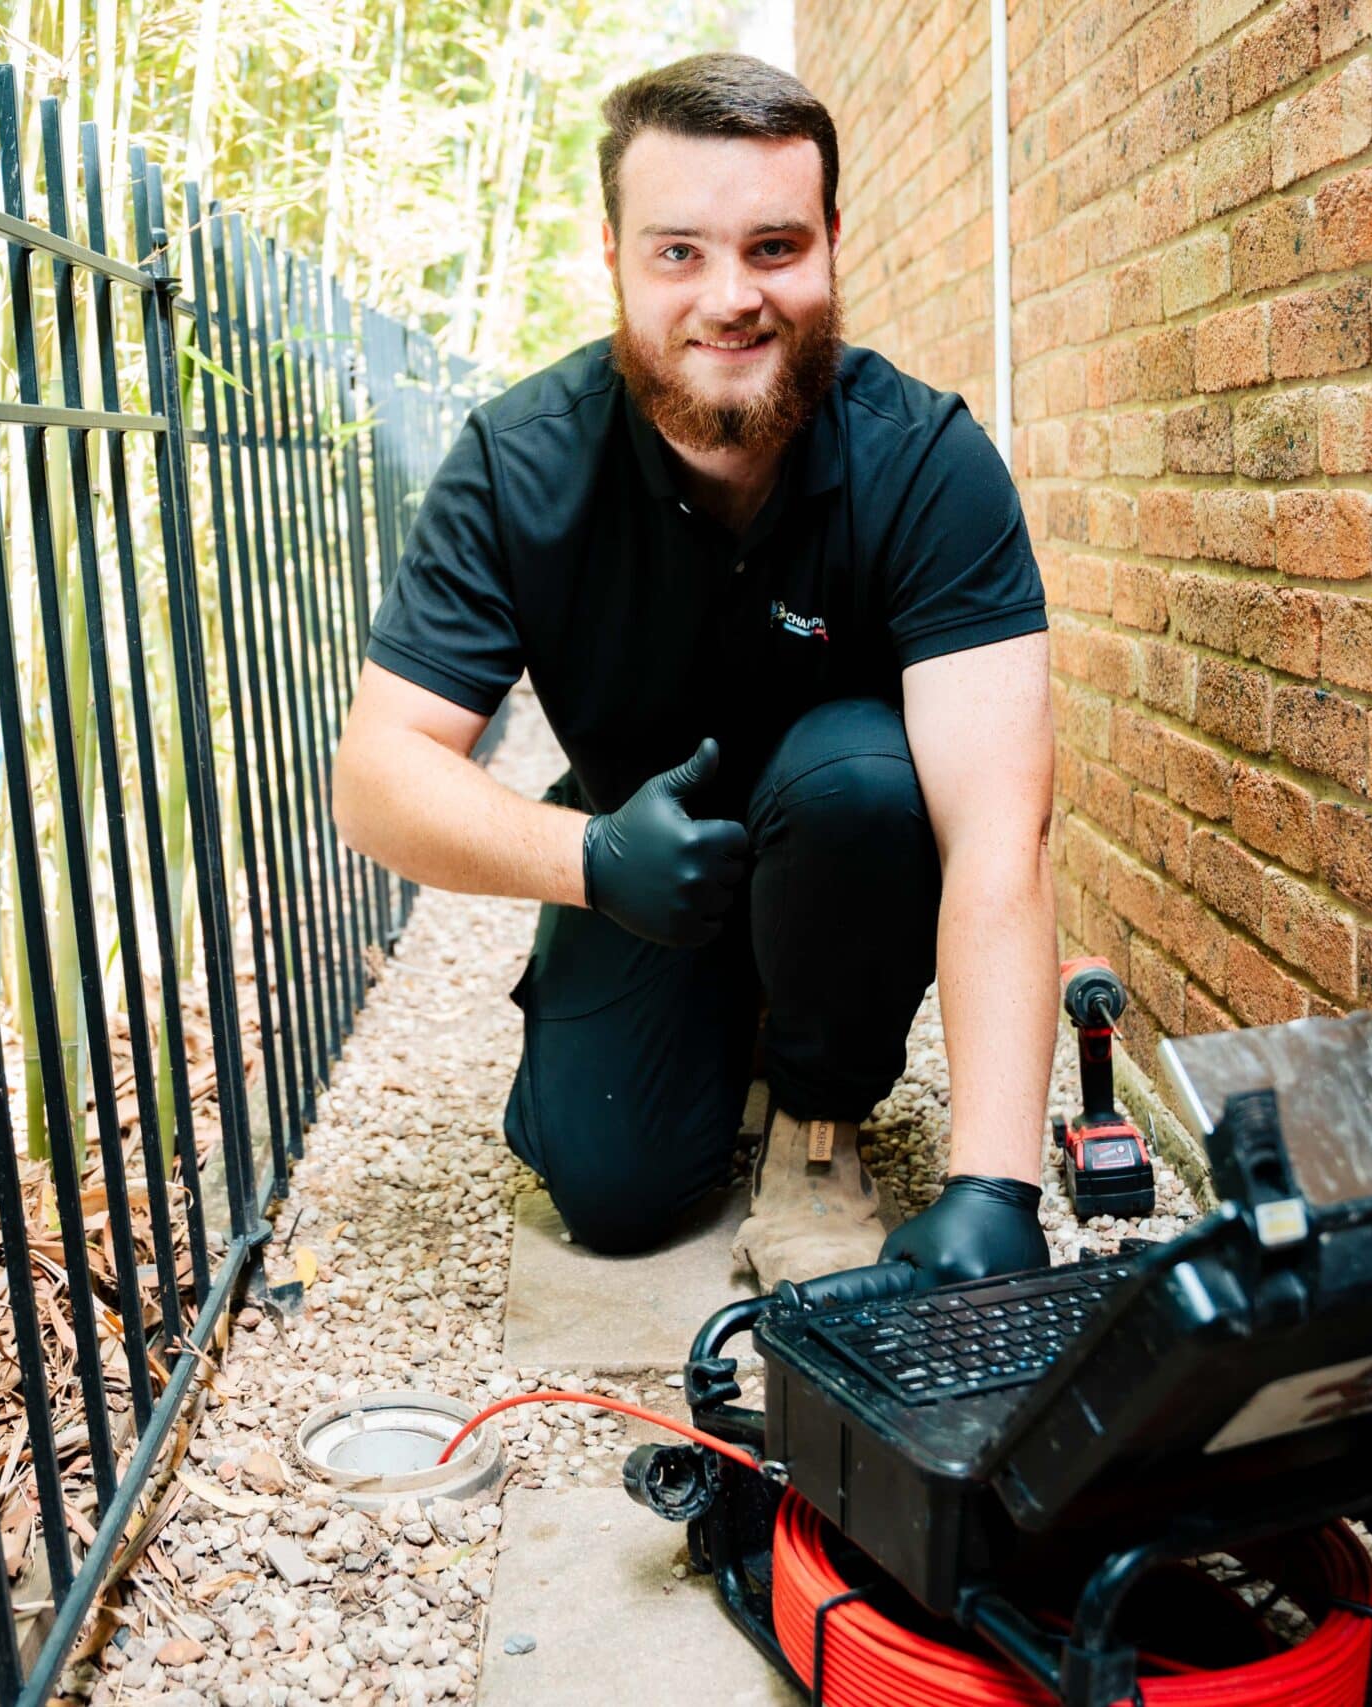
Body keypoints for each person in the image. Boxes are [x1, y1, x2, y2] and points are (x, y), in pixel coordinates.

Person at [332, 52, 1055, 1291]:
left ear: (831, 245)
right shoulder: (517, 463)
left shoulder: (927, 461)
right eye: (680, 252)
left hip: (846, 844)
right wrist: (589, 861)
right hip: (637, 862)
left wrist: (996, 1187)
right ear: (613, 256)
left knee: (862, 782)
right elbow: (378, 777)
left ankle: (816, 1113)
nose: (732, 298)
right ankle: (722, 1015)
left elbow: (999, 833)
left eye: (775, 247)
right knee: (613, 1195)